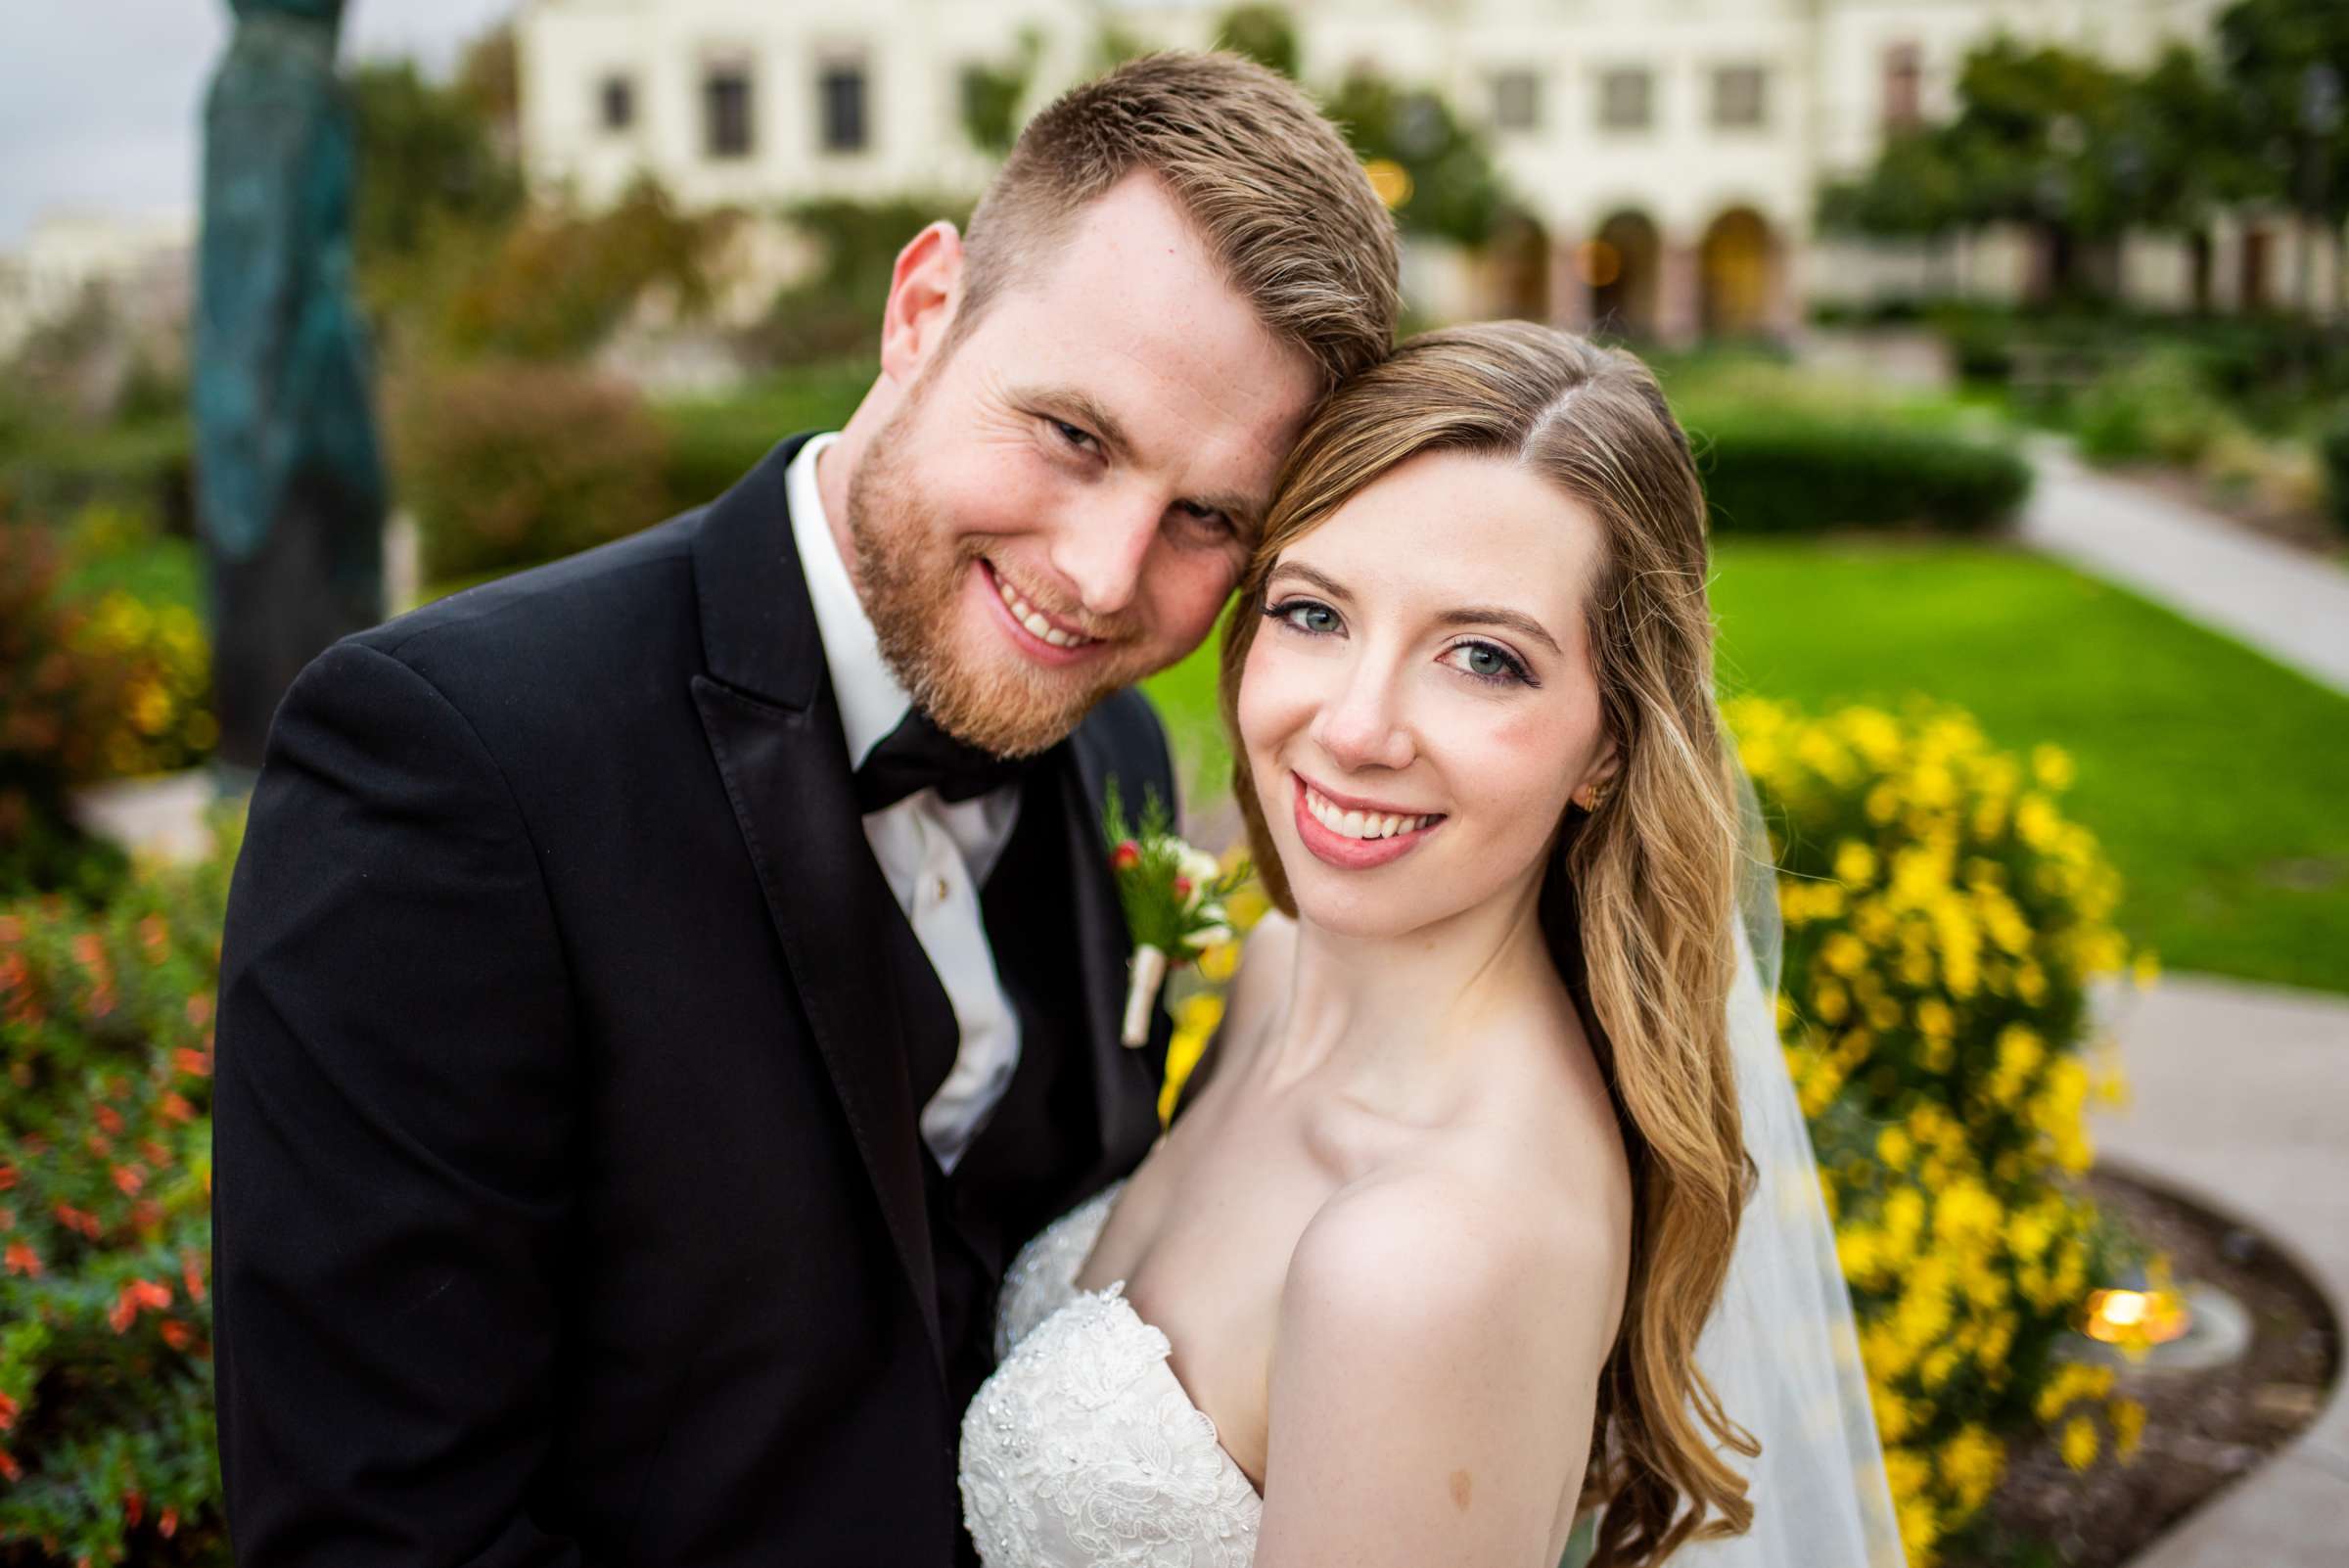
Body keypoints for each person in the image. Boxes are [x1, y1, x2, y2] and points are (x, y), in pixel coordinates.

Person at [209, 52, 1399, 1567]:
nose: (1104, 574)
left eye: (1208, 516)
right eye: (1074, 436)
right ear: (922, 312)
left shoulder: (1120, 771)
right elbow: (375, 1534)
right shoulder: (452, 762)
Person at [958, 323, 1906, 1568]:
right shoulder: (1278, 973)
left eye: (1483, 658)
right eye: (1314, 612)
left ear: (1611, 743)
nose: (1355, 728)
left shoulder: (1430, 1255)